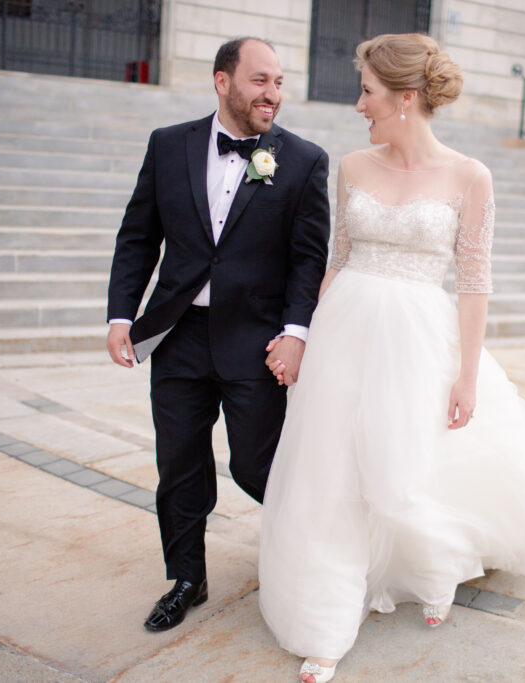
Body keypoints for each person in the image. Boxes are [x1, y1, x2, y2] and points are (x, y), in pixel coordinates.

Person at [257, 34, 525, 682]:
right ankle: (326, 620)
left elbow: (475, 281)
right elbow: (337, 259)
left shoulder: (469, 177)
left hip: (417, 338)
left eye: (367, 91)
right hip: (345, 328)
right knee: (332, 475)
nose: (358, 104)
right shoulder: (352, 166)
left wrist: (465, 373)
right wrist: (308, 336)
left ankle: (437, 563)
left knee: (403, 477)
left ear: (404, 98)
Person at [106, 37, 330, 633]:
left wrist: (295, 332)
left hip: (255, 342)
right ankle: (186, 578)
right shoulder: (168, 145)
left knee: (259, 466)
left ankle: (313, 558)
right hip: (178, 336)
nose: (273, 95)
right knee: (179, 463)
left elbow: (310, 259)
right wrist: (121, 315)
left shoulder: (304, 160)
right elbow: (138, 236)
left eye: (279, 83)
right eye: (260, 81)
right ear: (222, 81)